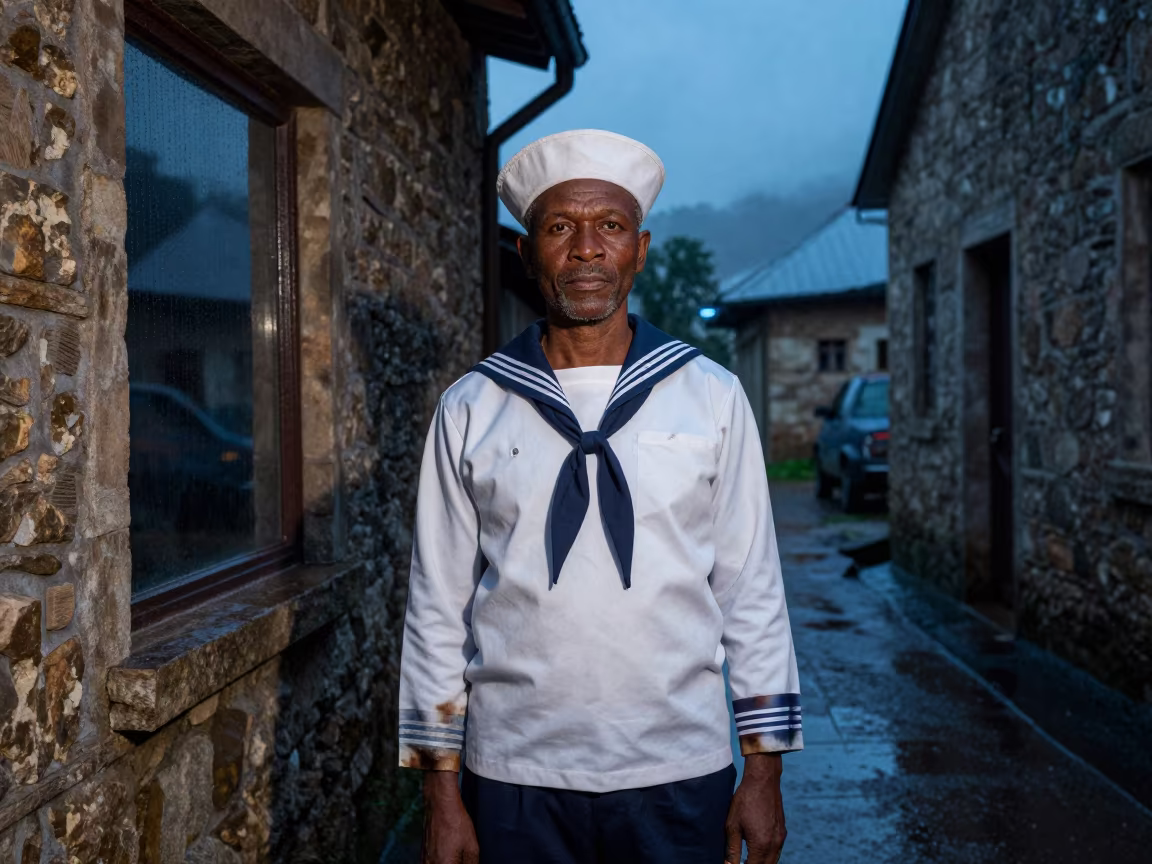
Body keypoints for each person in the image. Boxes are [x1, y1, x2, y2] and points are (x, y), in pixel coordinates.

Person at [398, 129, 802, 864]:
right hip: (512, 773)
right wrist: (441, 795)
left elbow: (753, 591)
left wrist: (765, 771)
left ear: (640, 249)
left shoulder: (710, 396)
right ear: (526, 254)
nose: (587, 248)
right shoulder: (472, 406)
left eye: (609, 226)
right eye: (559, 227)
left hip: (679, 769)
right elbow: (437, 605)